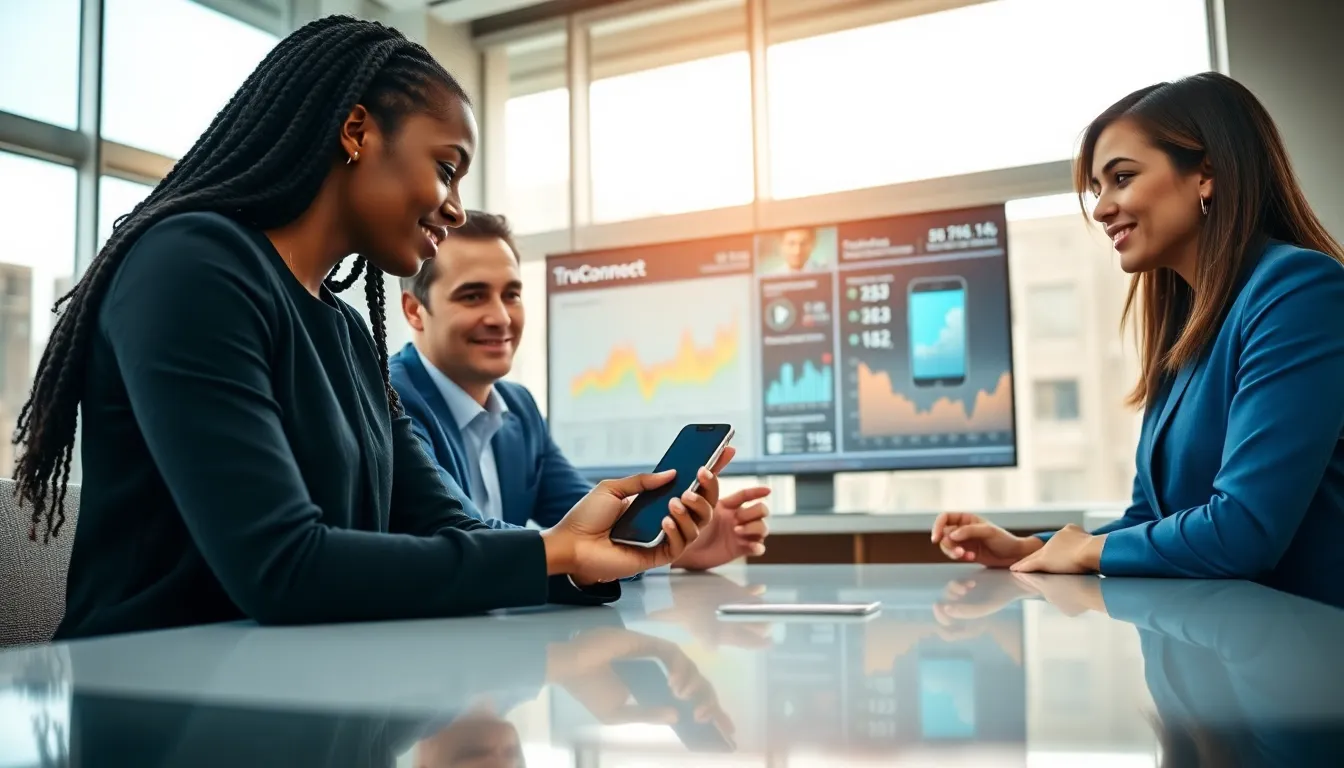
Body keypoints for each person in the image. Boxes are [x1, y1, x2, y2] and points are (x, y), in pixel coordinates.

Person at [10, 16, 724, 641]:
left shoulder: (348, 333)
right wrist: (552, 552)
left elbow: (446, 525)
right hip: (153, 699)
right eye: (446, 168)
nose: (455, 208)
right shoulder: (192, 266)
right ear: (356, 132)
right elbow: (283, 568)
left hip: (301, 692)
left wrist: (578, 556)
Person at [929, 72, 1344, 608]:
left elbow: (1243, 531)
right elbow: (1150, 518)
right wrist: (1033, 547)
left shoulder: (1298, 291)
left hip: (1304, 646)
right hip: (1215, 643)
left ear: (1206, 174)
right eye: (1097, 190)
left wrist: (1085, 551)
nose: (1101, 208)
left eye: (1121, 178)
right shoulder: (1186, 329)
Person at [390, 211, 770, 570]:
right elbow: (461, 537)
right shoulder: (389, 399)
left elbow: (586, 520)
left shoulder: (519, 407)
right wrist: (576, 552)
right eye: (473, 296)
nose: (501, 317)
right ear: (413, 310)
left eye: (511, 295)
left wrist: (677, 540)